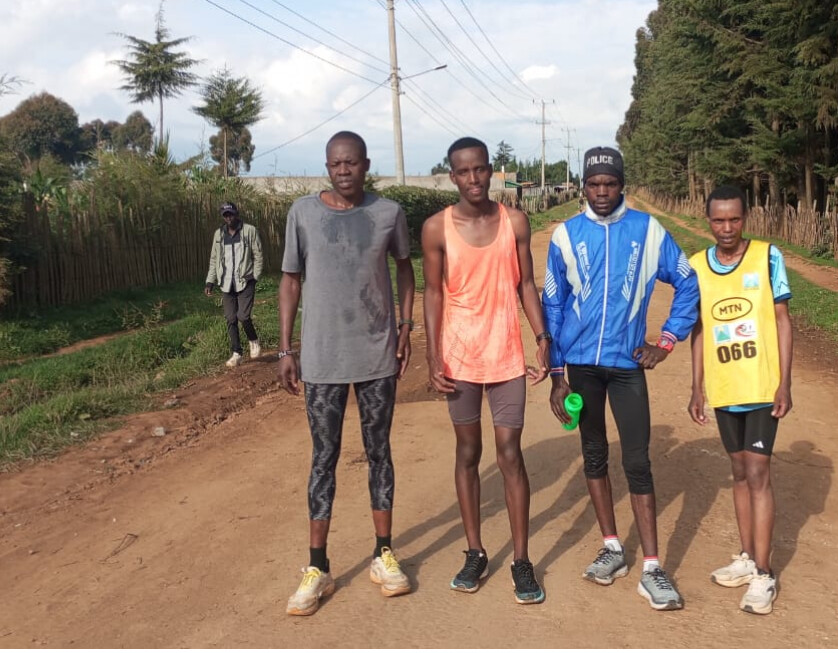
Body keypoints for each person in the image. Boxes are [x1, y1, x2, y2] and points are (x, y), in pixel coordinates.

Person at [543, 146, 698, 611]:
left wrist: (666, 341)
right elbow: (553, 304)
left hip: (628, 365)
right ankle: (612, 547)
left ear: (621, 185)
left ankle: (652, 567)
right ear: (583, 187)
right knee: (593, 453)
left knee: (637, 461)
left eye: (610, 183)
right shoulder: (565, 235)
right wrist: (557, 374)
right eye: (594, 184)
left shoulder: (648, 231)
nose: (602, 191)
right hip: (581, 366)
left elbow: (687, 281)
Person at [277, 131, 416, 616]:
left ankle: (384, 554)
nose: (343, 171)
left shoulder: (388, 213)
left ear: (365, 165)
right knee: (324, 457)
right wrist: (285, 348)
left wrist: (405, 326)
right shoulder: (302, 214)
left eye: (351, 163)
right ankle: (317, 566)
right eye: (336, 164)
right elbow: (290, 280)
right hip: (321, 358)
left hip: (376, 354)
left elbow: (405, 268)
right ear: (327, 166)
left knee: (379, 451)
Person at [422, 136, 550, 605]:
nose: (473, 179)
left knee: (510, 453)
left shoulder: (514, 222)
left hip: (505, 354)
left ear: (491, 170)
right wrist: (433, 355)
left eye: (480, 169)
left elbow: (527, 284)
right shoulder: (436, 229)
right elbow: (432, 292)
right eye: (463, 171)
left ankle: (521, 560)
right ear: (452, 176)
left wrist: (542, 337)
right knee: (468, 451)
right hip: (459, 357)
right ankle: (475, 551)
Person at [687, 184, 793, 616]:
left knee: (758, 472)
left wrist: (785, 383)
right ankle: (747, 557)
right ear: (708, 220)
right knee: (737, 471)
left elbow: (783, 321)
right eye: (719, 220)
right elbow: (698, 329)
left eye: (734, 219)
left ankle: (764, 574)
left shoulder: (767, 257)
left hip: (762, 385)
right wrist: (697, 386)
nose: (727, 228)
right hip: (725, 387)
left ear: (745, 218)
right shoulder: (697, 267)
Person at [205, 201, 264, 367]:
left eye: (230, 214)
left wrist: (255, 276)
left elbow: (258, 255)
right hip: (226, 282)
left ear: (236, 213)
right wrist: (210, 281)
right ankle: (236, 353)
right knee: (230, 318)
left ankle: (253, 340)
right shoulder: (219, 235)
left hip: (245, 280)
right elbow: (214, 259)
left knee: (243, 316)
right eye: (225, 215)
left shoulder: (249, 231)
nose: (228, 218)